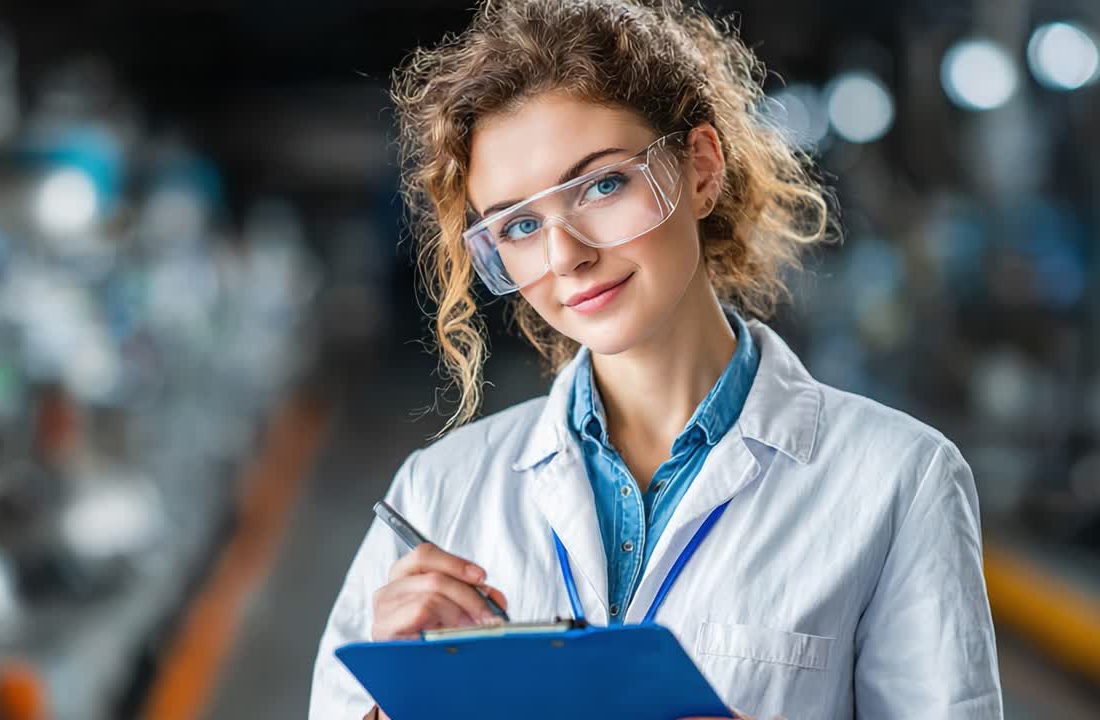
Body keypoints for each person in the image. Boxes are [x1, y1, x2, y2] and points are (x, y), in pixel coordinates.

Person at [309, 1, 1003, 717]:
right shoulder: (439, 494)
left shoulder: (898, 482)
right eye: (519, 225)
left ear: (701, 169)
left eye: (603, 184)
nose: (567, 255)